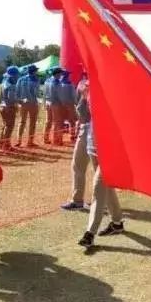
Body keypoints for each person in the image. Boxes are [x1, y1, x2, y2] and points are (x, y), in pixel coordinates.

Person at [78, 80, 125, 247]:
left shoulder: (114, 90)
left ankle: (90, 233)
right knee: (107, 186)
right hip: (93, 144)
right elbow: (82, 114)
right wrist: (84, 93)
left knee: (98, 188)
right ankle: (117, 222)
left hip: (109, 148)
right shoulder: (89, 88)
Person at [61, 78, 91, 211]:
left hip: (90, 130)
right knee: (83, 166)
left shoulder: (88, 88)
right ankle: (83, 200)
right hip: (92, 129)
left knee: (80, 166)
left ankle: (80, 200)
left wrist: (84, 96)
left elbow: (82, 112)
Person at [15, 64, 40, 147]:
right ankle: (30, 141)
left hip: (23, 103)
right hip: (33, 103)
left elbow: (17, 91)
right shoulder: (36, 80)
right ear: (34, 71)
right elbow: (36, 93)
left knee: (22, 122)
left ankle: (19, 140)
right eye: (36, 70)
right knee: (32, 122)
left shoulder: (21, 79)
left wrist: (19, 101)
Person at [0, 66, 20, 150]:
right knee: (9, 126)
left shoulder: (4, 82)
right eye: (17, 75)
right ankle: (6, 145)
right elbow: (11, 98)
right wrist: (20, 101)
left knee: (5, 125)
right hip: (9, 107)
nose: (18, 76)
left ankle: (2, 142)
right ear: (13, 75)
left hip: (2, 106)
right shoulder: (11, 85)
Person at [59, 70, 78, 143]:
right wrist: (76, 103)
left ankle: (60, 138)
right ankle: (72, 136)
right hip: (70, 104)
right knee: (72, 121)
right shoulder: (70, 84)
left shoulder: (59, 83)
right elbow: (73, 95)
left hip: (61, 104)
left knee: (61, 121)